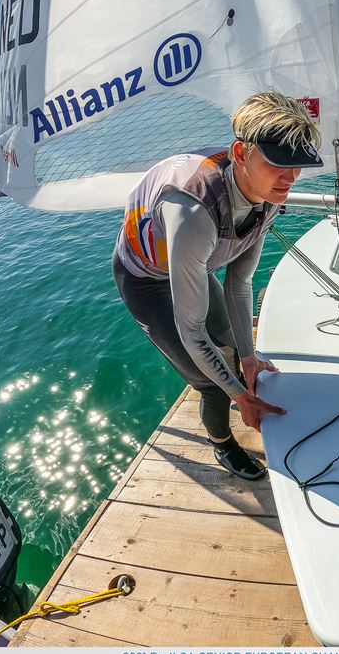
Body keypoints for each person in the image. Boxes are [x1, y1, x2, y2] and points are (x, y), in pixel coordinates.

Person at [112, 91, 323, 479]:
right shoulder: (192, 211)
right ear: (241, 154)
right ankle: (223, 446)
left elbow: (240, 281)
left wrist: (248, 355)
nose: (291, 178)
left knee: (232, 352)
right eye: (279, 163)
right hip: (145, 276)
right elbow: (190, 331)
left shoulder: (268, 191)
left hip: (194, 259)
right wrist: (239, 396)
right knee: (210, 383)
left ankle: (236, 379)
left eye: (299, 166)